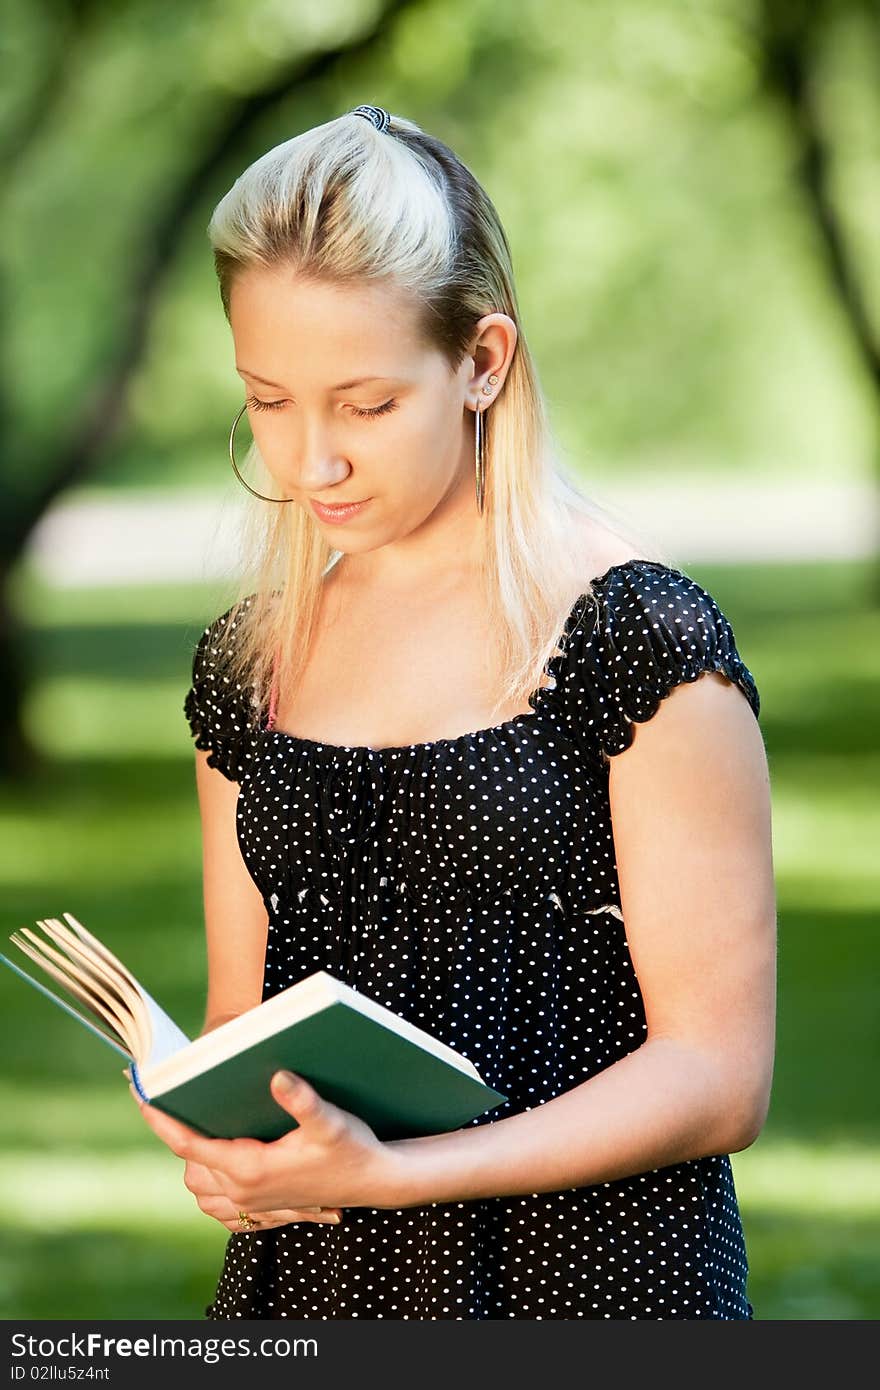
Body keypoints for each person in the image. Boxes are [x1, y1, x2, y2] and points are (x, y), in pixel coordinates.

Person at [132, 104, 777, 1320]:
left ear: (482, 361)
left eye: (365, 405)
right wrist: (226, 1144)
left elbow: (717, 1074)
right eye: (268, 399)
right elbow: (244, 1023)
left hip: (595, 1284)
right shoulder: (250, 663)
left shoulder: (634, 638)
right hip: (319, 1288)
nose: (306, 460)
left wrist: (399, 1174)